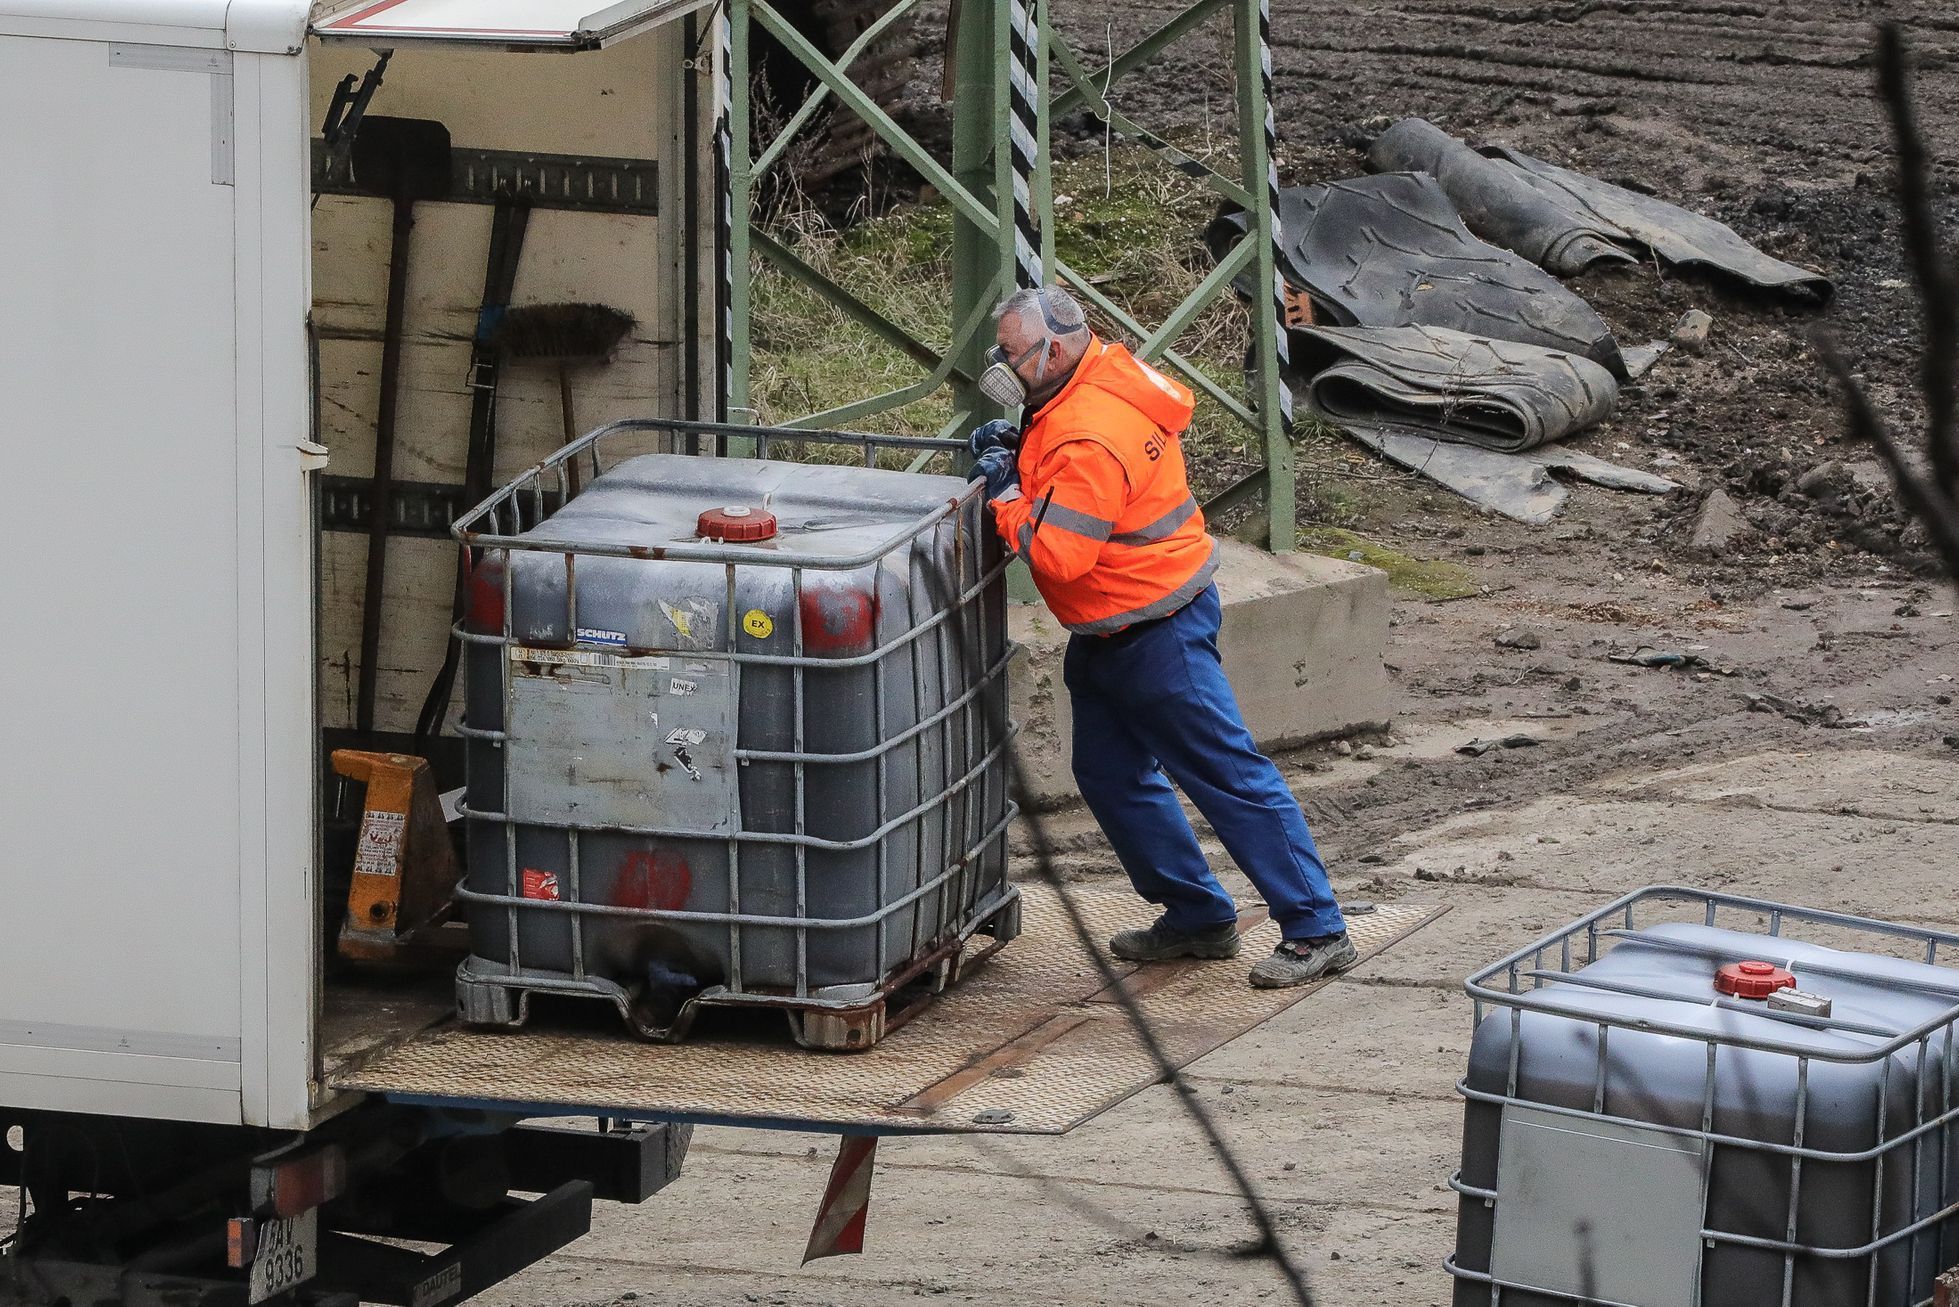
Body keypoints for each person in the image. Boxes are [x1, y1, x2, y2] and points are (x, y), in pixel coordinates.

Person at [967, 285, 1354, 988]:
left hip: (1153, 631)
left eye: (1011, 353)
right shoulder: (1100, 373)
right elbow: (1070, 475)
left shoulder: (1090, 435)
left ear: (1052, 350)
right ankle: (1197, 915)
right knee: (1112, 777)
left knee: (1230, 778)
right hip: (1118, 625)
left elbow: (1057, 552)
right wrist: (1021, 452)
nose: (1002, 364)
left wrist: (1002, 496)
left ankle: (1316, 927)